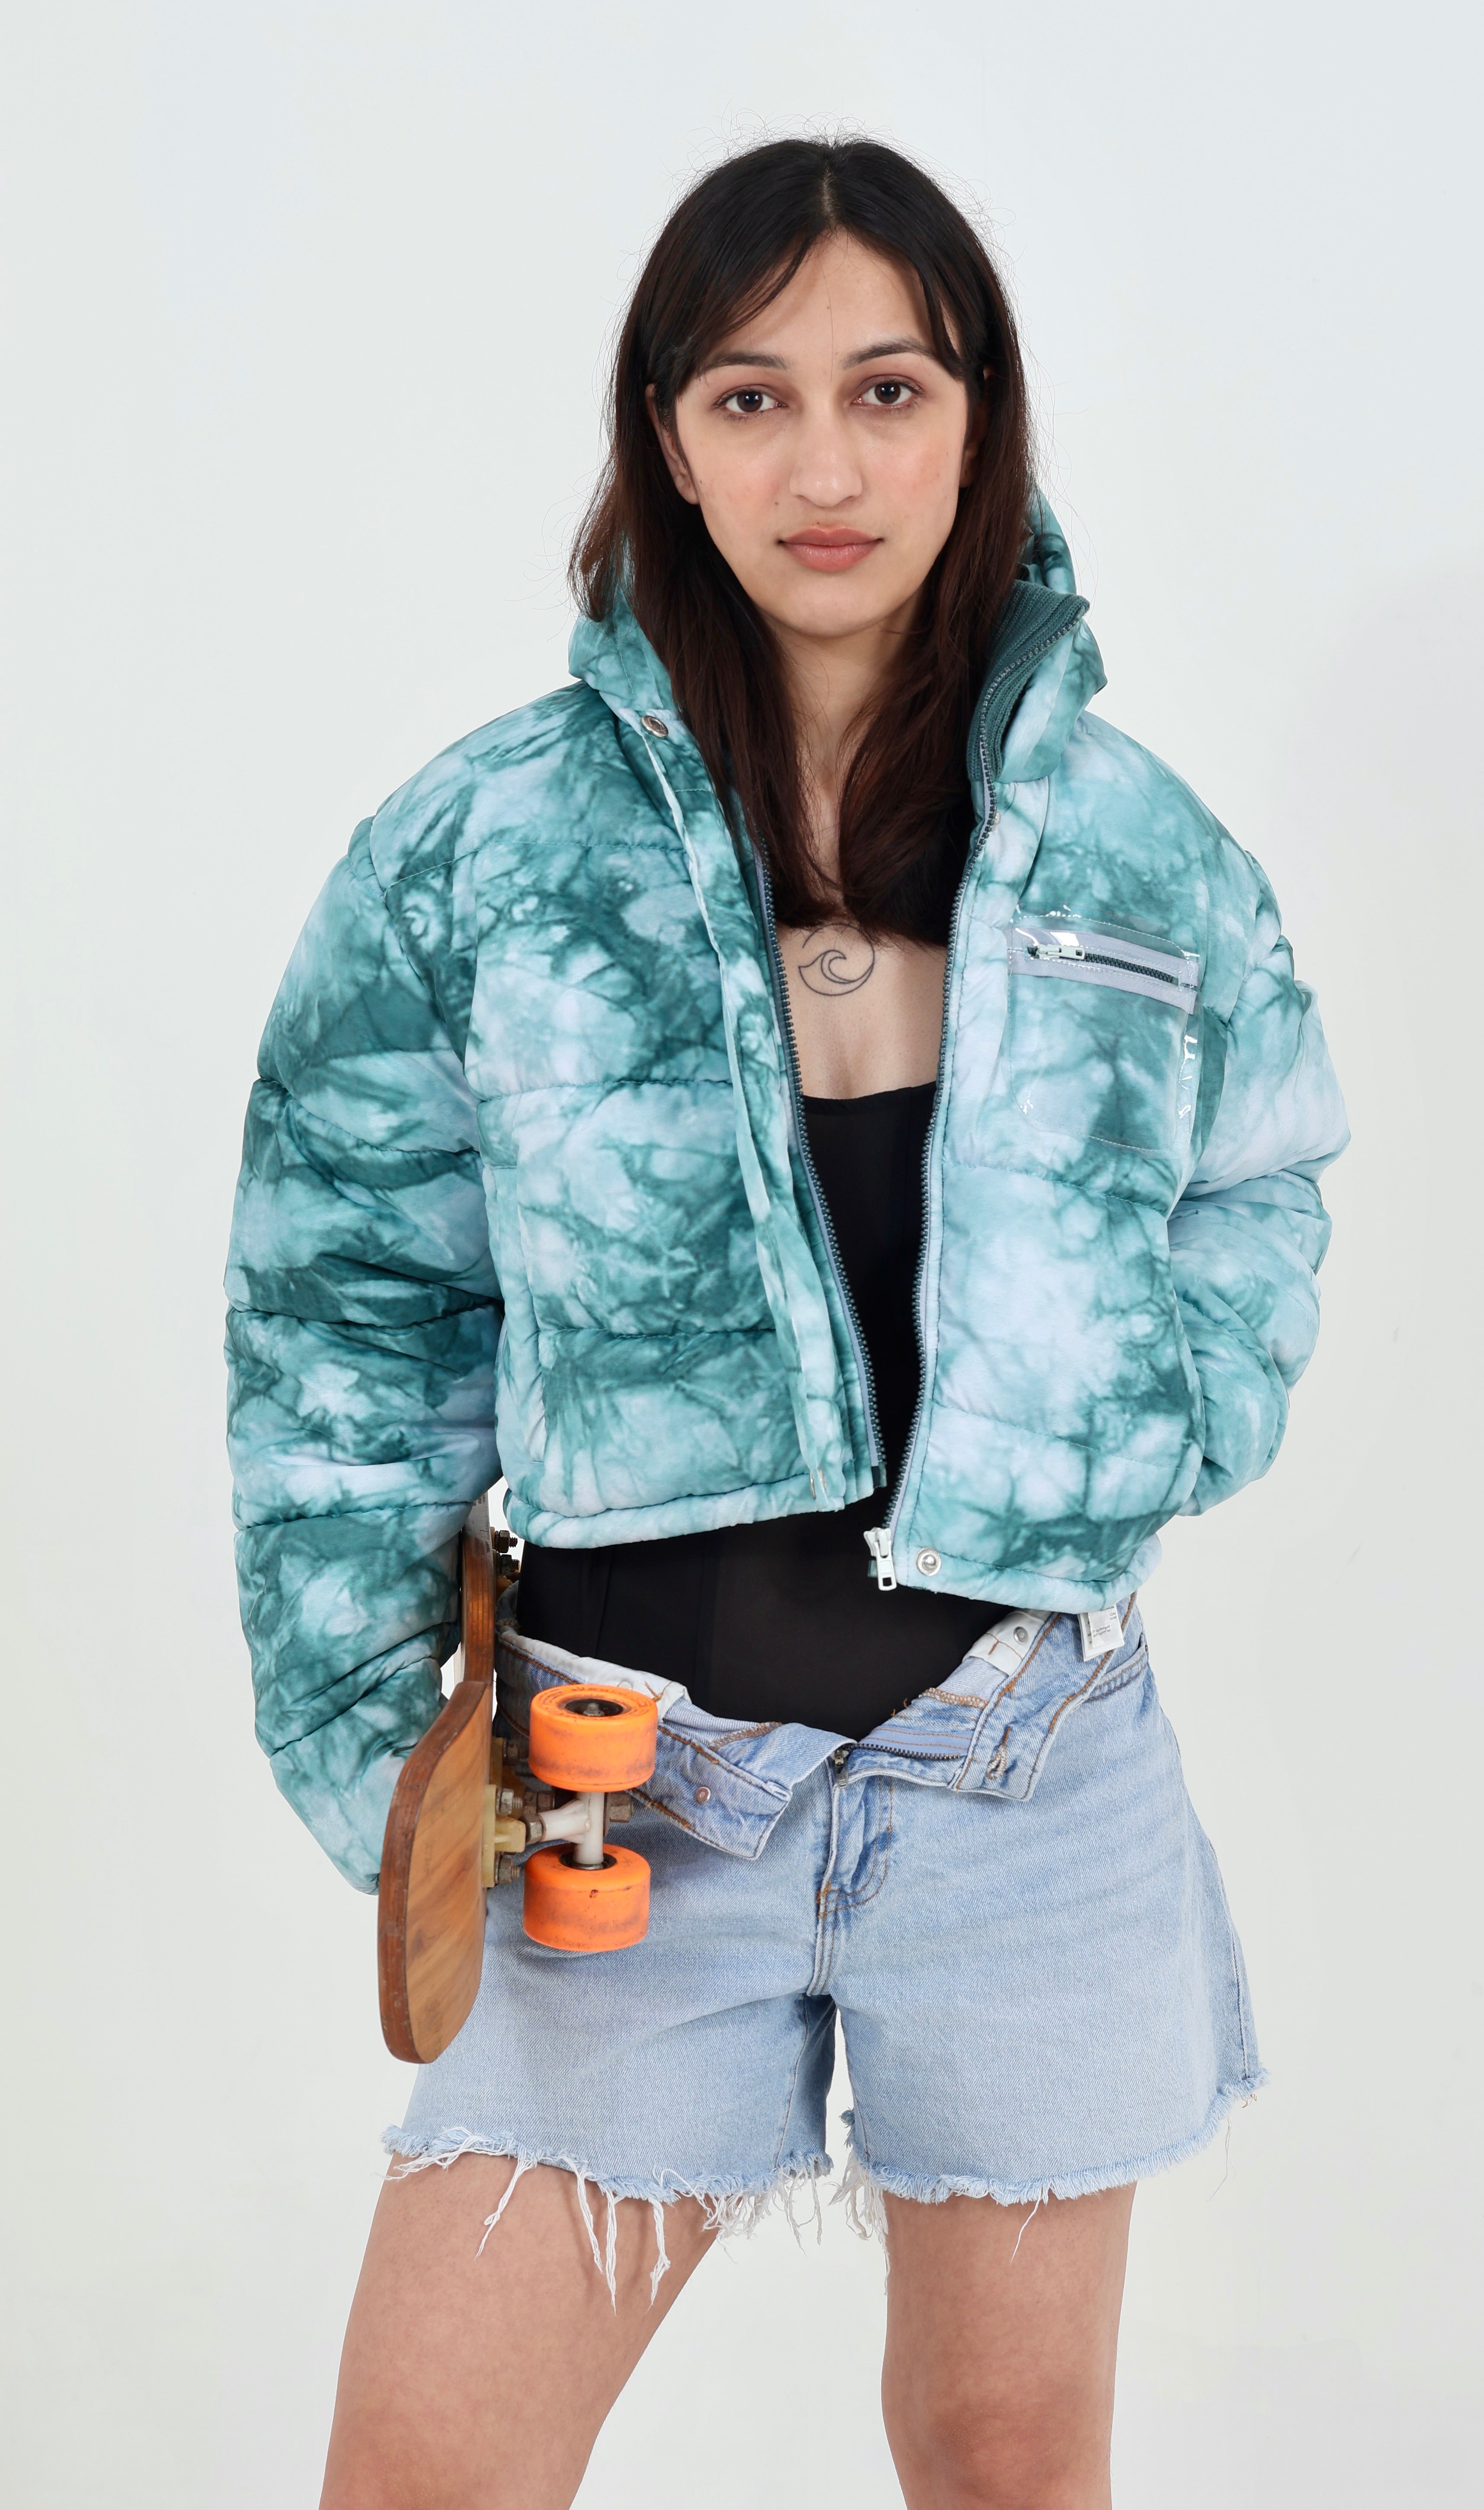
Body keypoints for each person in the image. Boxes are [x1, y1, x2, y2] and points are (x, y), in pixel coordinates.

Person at [226, 135, 1347, 2510]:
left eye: (886, 390)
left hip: (1027, 1775)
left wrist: (1141, 1431)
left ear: (978, 418)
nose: (824, 469)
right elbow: (340, 1307)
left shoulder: (1133, 850)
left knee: (1010, 2461)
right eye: (751, 399)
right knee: (426, 2472)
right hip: (614, 1792)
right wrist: (386, 1756)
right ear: (665, 436)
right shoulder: (484, 854)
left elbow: (1261, 1182)